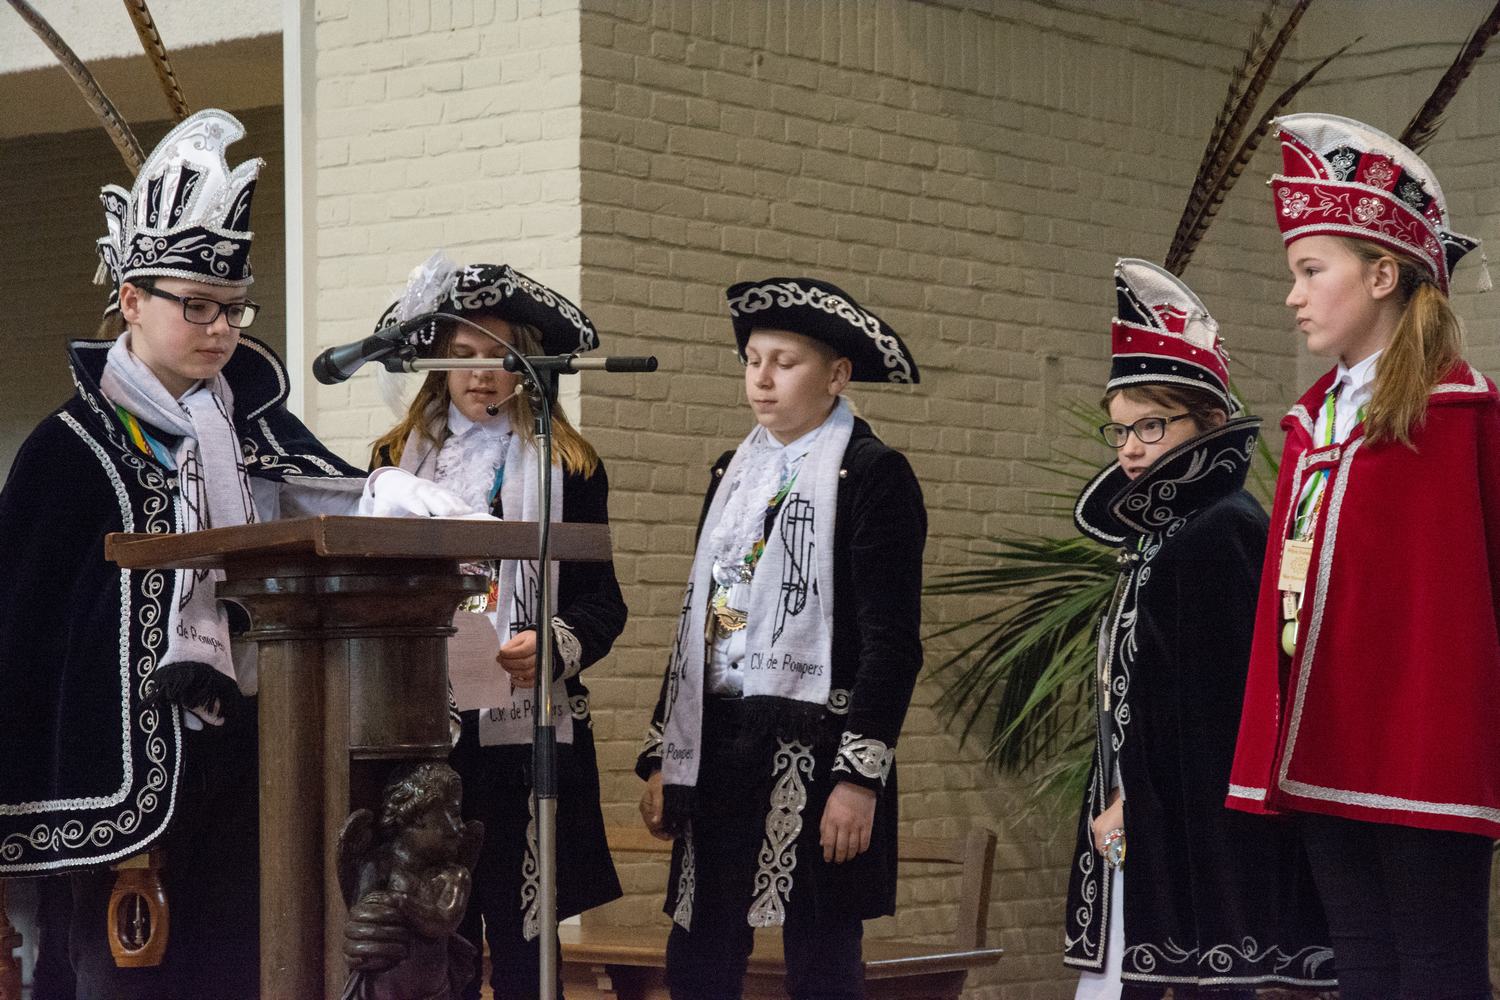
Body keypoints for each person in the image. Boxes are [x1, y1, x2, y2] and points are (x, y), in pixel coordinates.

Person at [0, 109, 467, 1000]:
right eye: (197, 307)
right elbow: (31, 633)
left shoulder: (255, 425)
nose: (220, 329)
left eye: (233, 309)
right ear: (130, 300)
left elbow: (326, 499)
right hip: (129, 772)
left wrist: (387, 495)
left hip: (260, 753)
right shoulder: (66, 451)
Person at [1227, 113, 1497, 999]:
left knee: (1438, 969)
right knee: (1363, 967)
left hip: (1426, 747)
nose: (1293, 296)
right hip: (1324, 740)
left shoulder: (1462, 417)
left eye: (1313, 271)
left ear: (1383, 275)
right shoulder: (1311, 425)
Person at [636, 277, 925, 1000]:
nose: (761, 379)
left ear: (837, 375)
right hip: (723, 740)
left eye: (784, 362)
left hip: (819, 746)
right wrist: (664, 753)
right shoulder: (734, 471)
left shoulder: (874, 475)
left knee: (821, 957)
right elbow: (713, 616)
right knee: (699, 954)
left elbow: (892, 642)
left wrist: (858, 779)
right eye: (752, 360)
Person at [1064, 260, 1333, 997]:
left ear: (1211, 423)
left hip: (1191, 828)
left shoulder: (1220, 529)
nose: (1129, 447)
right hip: (1143, 813)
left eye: (1151, 426)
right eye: (1120, 429)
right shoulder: (1167, 531)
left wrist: (1133, 805)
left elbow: (1213, 710)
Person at [368, 258, 627, 1000]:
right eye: (463, 355)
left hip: (521, 734)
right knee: (432, 944)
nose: (480, 374)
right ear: (437, 366)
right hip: (421, 731)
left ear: (528, 367)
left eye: (499, 356)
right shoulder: (393, 459)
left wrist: (554, 645)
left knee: (523, 946)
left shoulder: (570, 465)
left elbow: (603, 605)